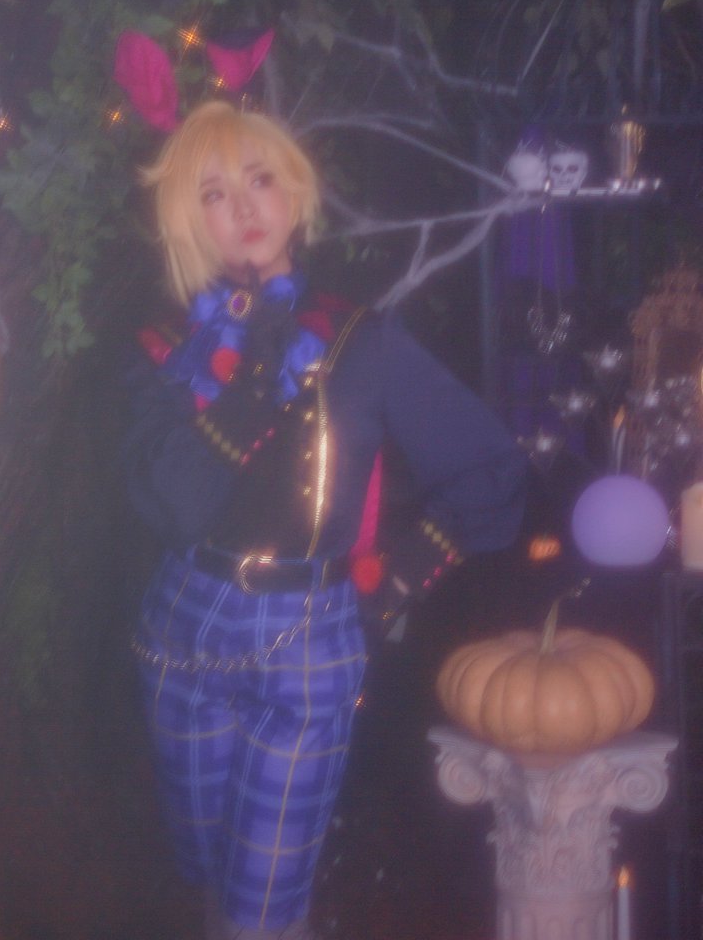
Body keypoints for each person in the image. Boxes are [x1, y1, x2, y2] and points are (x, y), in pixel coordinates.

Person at [123, 100, 527, 940]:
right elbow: (176, 506)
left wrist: (396, 576)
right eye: (214, 193)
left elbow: (489, 467)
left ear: (295, 193)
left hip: (307, 638)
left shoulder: (359, 342)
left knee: (262, 911)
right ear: (187, 220)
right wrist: (249, 385)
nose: (245, 207)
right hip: (183, 626)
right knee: (211, 882)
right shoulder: (163, 349)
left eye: (261, 179)